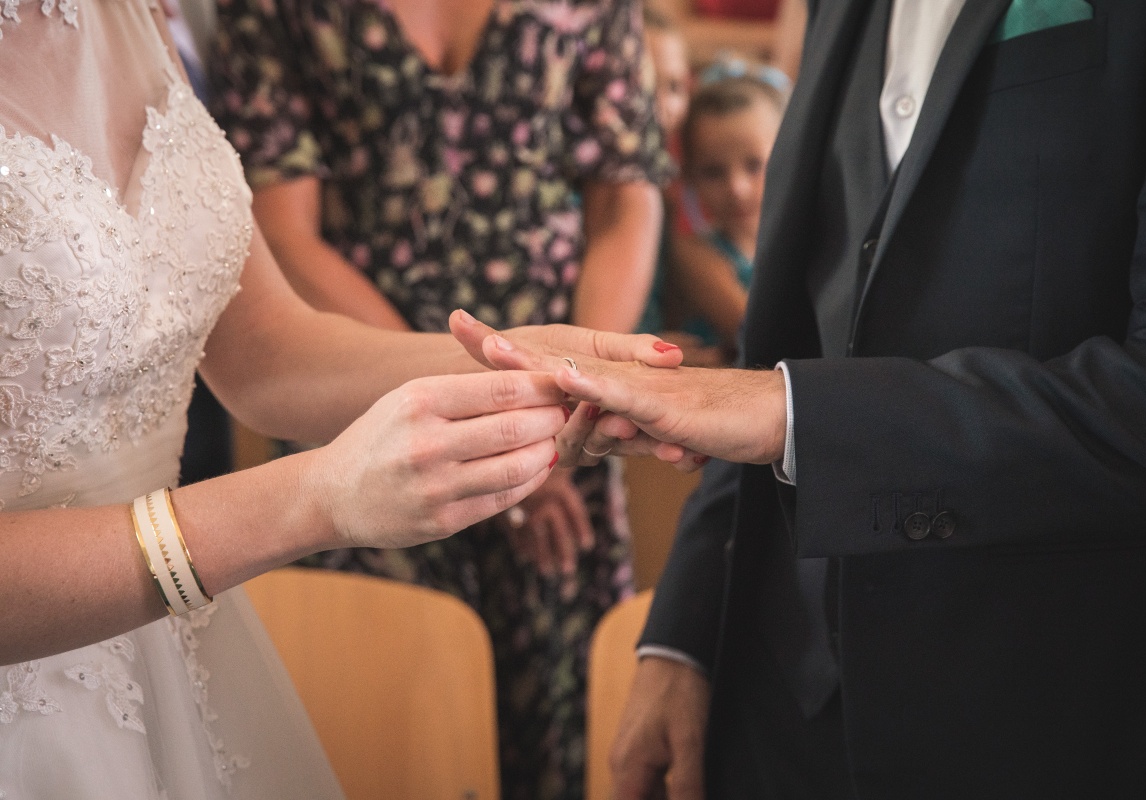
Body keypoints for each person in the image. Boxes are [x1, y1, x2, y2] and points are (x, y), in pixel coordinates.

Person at [456, 0, 1146, 796]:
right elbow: (787, 324)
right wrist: (686, 641)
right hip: (782, 708)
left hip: (1045, 714)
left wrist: (792, 414)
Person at [0, 1, 681, 797]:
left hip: (169, 651)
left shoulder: (130, 15)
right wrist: (313, 498)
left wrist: (531, 365)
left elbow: (262, 351)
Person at [206, 0, 671, 795]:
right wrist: (470, 403)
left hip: (564, 411)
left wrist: (569, 402)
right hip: (359, 398)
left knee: (555, 706)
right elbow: (285, 232)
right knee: (387, 715)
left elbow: (625, 197)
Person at [668, 59, 787, 358]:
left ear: (789, 156)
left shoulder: (807, 245)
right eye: (712, 171)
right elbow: (756, 332)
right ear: (689, 176)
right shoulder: (694, 254)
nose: (737, 188)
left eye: (754, 165)